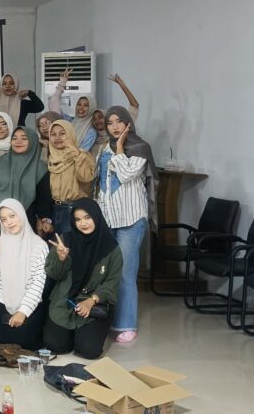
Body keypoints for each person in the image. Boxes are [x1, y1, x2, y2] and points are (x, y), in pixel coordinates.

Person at [95, 107, 156, 344]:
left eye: (119, 121)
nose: (114, 127)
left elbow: (127, 174)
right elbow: (101, 183)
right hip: (108, 218)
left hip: (131, 219)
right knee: (107, 272)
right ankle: (108, 319)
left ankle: (127, 324)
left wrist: (120, 148)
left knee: (125, 273)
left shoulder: (140, 148)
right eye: (110, 123)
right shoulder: (104, 148)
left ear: (128, 123)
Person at [43, 199, 122, 359]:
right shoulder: (65, 241)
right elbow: (54, 275)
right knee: (55, 345)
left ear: (96, 217)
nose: (83, 223)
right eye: (77, 219)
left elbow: (112, 282)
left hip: (93, 304)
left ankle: (83, 334)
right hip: (65, 301)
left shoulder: (112, 248)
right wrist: (61, 258)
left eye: (87, 217)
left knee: (88, 351)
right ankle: (72, 333)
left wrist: (92, 300)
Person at [0, 199, 49, 349]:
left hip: (29, 303)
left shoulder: (40, 246)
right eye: (3, 219)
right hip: (2, 300)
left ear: (21, 215)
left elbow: (38, 284)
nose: (9, 222)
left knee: (25, 347)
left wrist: (23, 312)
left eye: (12, 216)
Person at [0, 127, 52, 245]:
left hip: (25, 217)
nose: (18, 141)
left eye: (24, 138)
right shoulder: (0, 162)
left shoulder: (40, 167)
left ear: (32, 141)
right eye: (14, 138)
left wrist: (44, 219)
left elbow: (44, 197)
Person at [41, 120, 97, 239]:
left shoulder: (83, 155)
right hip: (55, 210)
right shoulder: (51, 158)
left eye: (62, 133)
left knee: (72, 247)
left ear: (70, 134)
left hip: (75, 209)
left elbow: (86, 177)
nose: (57, 137)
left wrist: (77, 154)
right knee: (56, 247)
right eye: (53, 134)